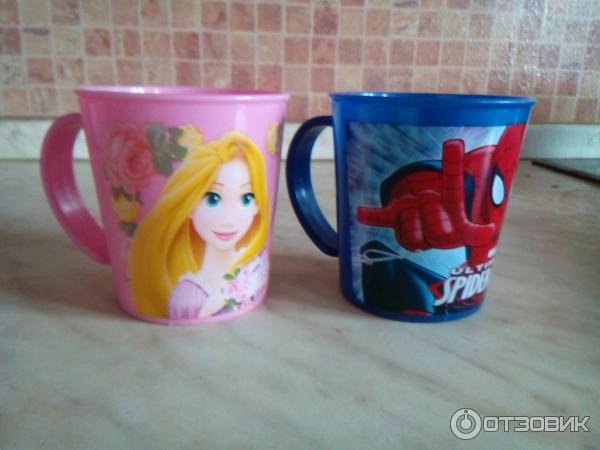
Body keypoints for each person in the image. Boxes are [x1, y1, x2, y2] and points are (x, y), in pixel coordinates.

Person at [129, 131, 270, 319]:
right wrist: (220, 297)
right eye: (212, 199)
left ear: (257, 206)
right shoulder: (187, 298)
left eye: (246, 198)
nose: (228, 219)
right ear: (190, 206)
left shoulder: (256, 264)